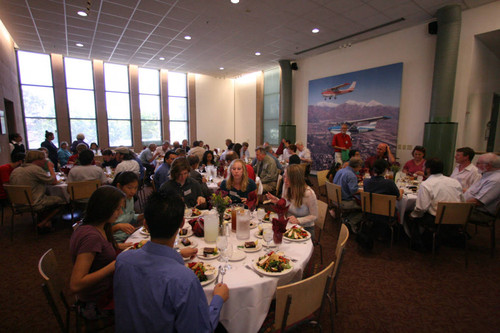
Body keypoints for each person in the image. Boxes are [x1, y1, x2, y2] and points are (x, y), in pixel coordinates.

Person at [114, 191, 229, 332]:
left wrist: (178, 253)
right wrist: (218, 299)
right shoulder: (185, 280)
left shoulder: (123, 261)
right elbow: (201, 329)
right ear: (182, 223)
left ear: (145, 224)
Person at [69, 186, 125, 320]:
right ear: (105, 208)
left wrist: (125, 247)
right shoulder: (91, 237)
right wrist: (113, 265)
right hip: (96, 302)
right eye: (118, 209)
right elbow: (75, 284)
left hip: (104, 290)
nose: (121, 213)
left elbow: (102, 250)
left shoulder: (96, 226)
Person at [409, 158, 464, 251]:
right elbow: (462, 201)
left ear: (428, 169)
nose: (422, 168)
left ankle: (419, 245)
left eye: (423, 166)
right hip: (457, 220)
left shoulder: (426, 184)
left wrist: (412, 215)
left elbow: (421, 208)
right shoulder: (454, 182)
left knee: (411, 214)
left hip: (437, 220)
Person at [9, 150, 65, 231]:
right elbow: (53, 181)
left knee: (47, 196)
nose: (45, 161)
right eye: (43, 160)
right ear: (37, 160)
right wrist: (51, 168)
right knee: (61, 200)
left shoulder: (16, 170)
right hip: (34, 202)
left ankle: (44, 221)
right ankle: (44, 222)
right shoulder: (35, 169)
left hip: (17, 203)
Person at [266, 164, 318, 238]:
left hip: (305, 229)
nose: (285, 180)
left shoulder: (309, 194)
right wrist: (278, 201)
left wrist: (298, 220)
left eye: (288, 178)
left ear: (296, 179)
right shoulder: (286, 186)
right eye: (284, 176)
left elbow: (314, 216)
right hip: (289, 225)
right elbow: (286, 204)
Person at [111, 172, 145, 248]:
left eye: (135, 188)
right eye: (129, 188)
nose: (133, 192)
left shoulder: (130, 199)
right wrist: (117, 227)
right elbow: (101, 233)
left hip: (129, 237)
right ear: (119, 186)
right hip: (114, 243)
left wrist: (145, 214)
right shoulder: (111, 203)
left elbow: (131, 217)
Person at [464, 153, 500, 223]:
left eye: (478, 163)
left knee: (444, 212)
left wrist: (457, 204)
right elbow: (472, 192)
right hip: (470, 207)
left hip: (479, 212)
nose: (476, 165)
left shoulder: (495, 180)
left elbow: (478, 202)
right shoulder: (487, 175)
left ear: (488, 166)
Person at [333, 157, 363, 233]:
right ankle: (351, 221)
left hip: (335, 199)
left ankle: (346, 218)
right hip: (344, 201)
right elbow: (353, 191)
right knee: (366, 208)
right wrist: (362, 190)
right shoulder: (352, 175)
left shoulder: (340, 171)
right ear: (358, 166)